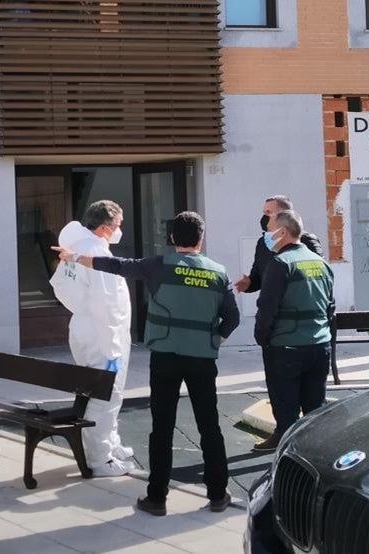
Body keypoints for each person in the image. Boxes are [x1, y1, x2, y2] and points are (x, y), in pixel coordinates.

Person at [54, 211, 240, 516]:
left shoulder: (158, 266)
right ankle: (218, 494)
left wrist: (75, 257)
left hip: (165, 358)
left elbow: (116, 266)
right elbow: (231, 318)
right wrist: (214, 339)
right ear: (201, 239)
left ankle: (157, 498)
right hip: (202, 360)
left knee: (162, 428)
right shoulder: (218, 273)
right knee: (209, 426)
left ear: (171, 239)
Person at [50, 200, 135, 477]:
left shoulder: (74, 247)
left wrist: (81, 309)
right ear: (103, 227)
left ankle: (110, 444)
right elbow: (107, 303)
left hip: (85, 329)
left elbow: (60, 286)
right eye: (116, 226)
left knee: (100, 395)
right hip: (104, 335)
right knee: (105, 397)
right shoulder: (95, 252)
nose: (119, 230)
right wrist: (112, 347)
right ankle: (100, 459)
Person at [252, 209, 334, 452]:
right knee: (315, 410)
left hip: (286, 347)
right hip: (320, 346)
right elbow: (330, 305)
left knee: (286, 411)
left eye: (269, 231)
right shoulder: (320, 263)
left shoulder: (279, 264)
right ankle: (316, 453)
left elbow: (267, 308)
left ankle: (288, 459)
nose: (267, 236)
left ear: (283, 232)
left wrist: (262, 338)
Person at [233, 195, 324, 294]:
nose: (264, 217)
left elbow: (321, 277)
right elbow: (258, 277)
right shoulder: (263, 243)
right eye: (264, 213)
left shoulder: (307, 241)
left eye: (269, 213)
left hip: (298, 305)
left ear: (285, 215)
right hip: (272, 305)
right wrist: (249, 284)